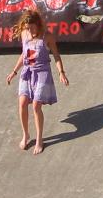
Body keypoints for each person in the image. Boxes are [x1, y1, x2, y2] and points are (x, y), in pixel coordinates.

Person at [6, 10, 69, 155]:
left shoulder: (47, 37)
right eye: (27, 28)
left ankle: (40, 139)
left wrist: (61, 73)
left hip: (42, 73)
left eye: (32, 27)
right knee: (22, 102)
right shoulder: (24, 34)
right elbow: (24, 54)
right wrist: (14, 71)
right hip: (27, 72)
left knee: (35, 106)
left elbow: (57, 56)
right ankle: (26, 134)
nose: (29, 30)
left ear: (38, 25)